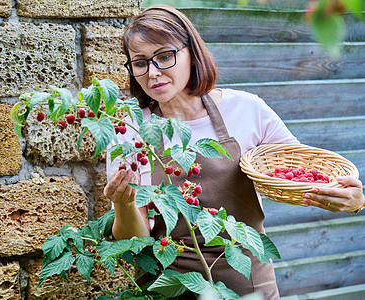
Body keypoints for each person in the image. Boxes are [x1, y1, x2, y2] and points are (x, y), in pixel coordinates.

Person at [103, 5, 365, 299]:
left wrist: (352, 199)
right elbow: (133, 241)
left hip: (247, 284)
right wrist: (123, 205)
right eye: (140, 63)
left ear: (192, 53)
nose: (153, 72)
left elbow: (304, 175)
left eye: (164, 56)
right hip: (170, 287)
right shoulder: (131, 132)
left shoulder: (247, 110)